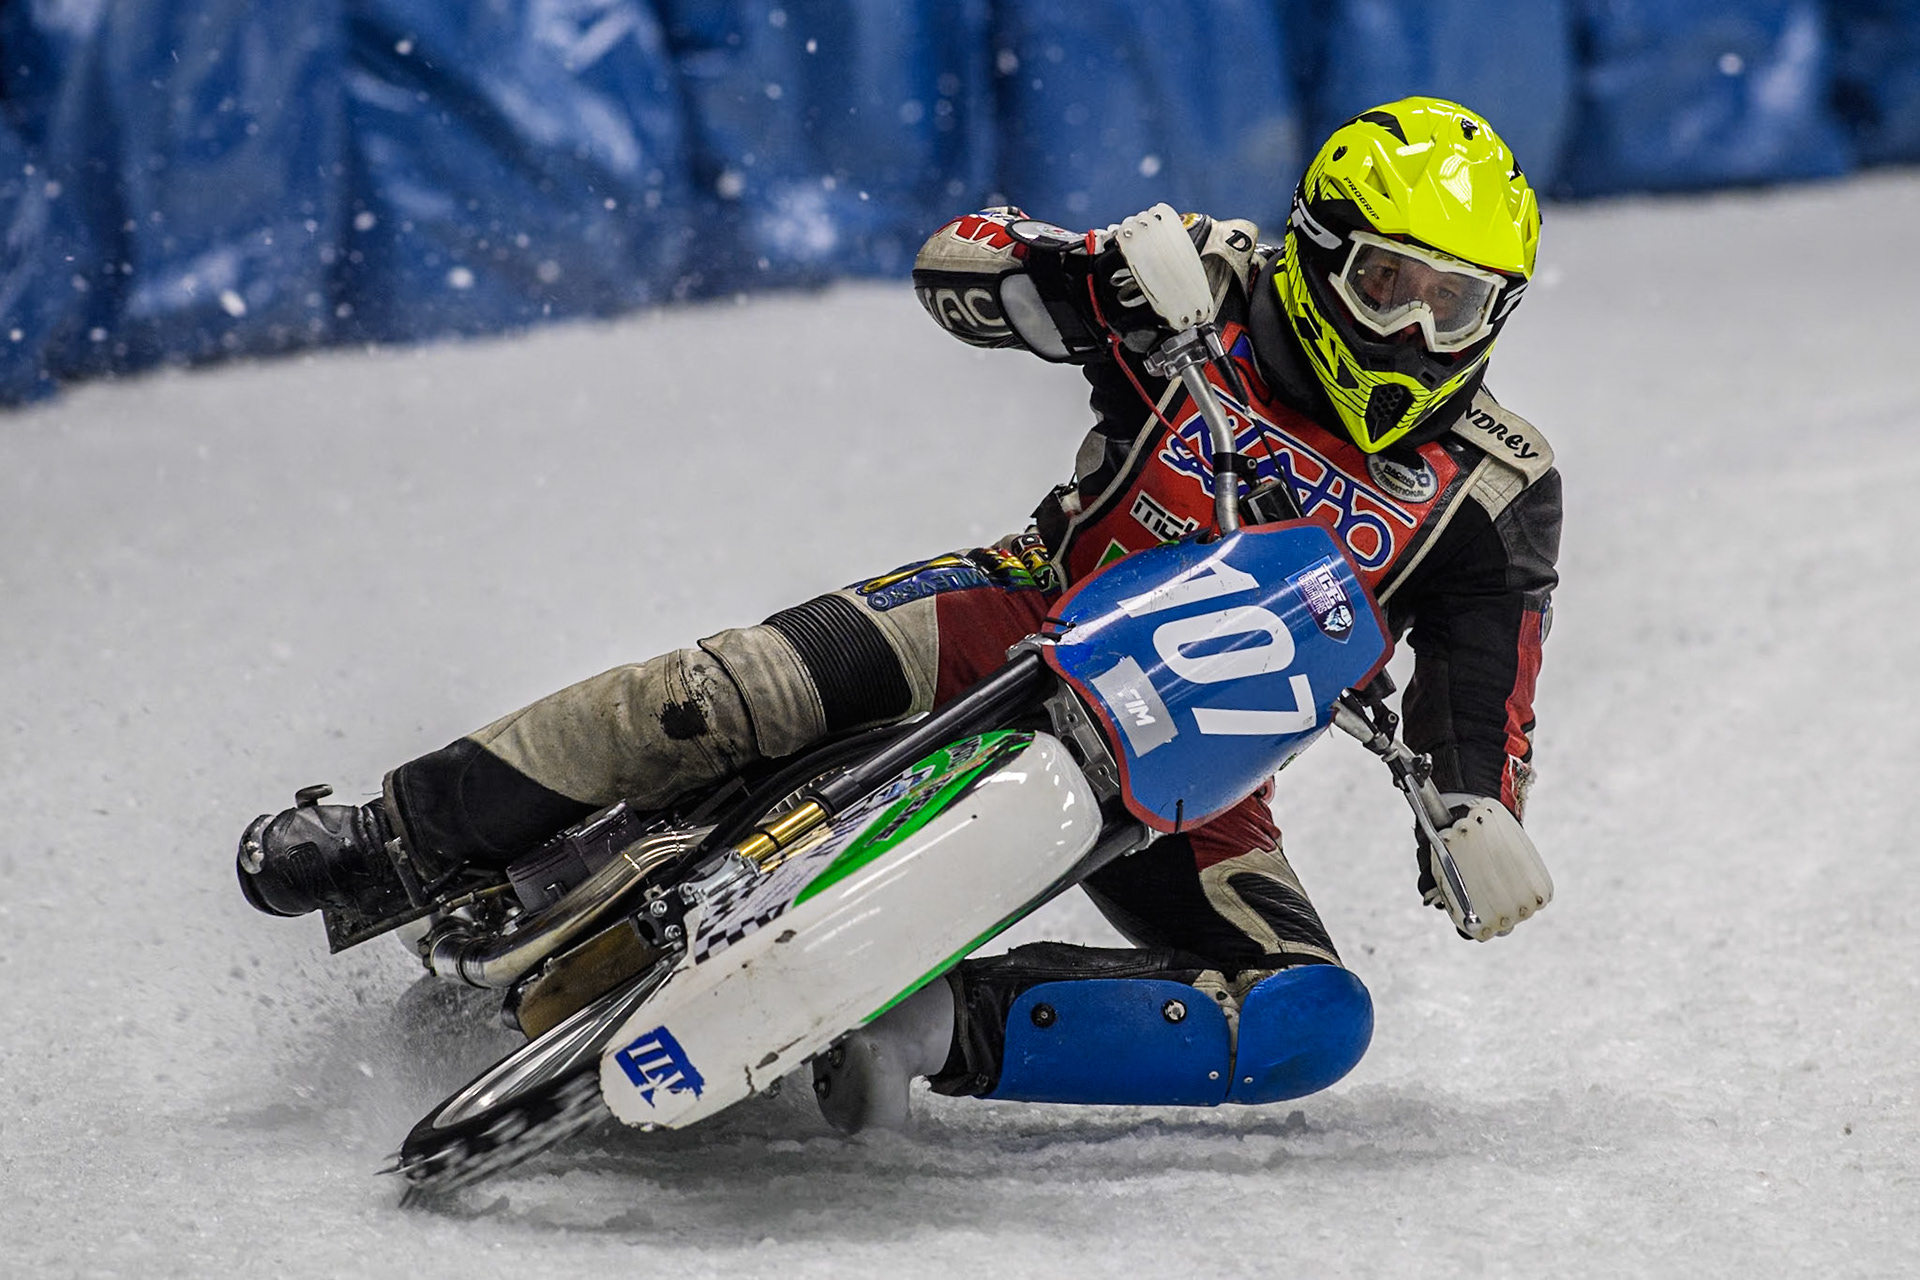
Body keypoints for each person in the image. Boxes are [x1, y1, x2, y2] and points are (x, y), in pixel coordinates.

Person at [237, 97, 1561, 1131]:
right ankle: (384, 838)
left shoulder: (1498, 484)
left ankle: (913, 1026)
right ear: (1320, 252)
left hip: (1200, 775)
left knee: (1306, 1019)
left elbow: (1479, 692)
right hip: (1017, 614)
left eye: (1461, 306)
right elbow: (957, 265)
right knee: (722, 692)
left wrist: (1474, 813)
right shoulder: (1207, 282)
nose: (1419, 331)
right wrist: (1095, 275)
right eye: (1391, 284)